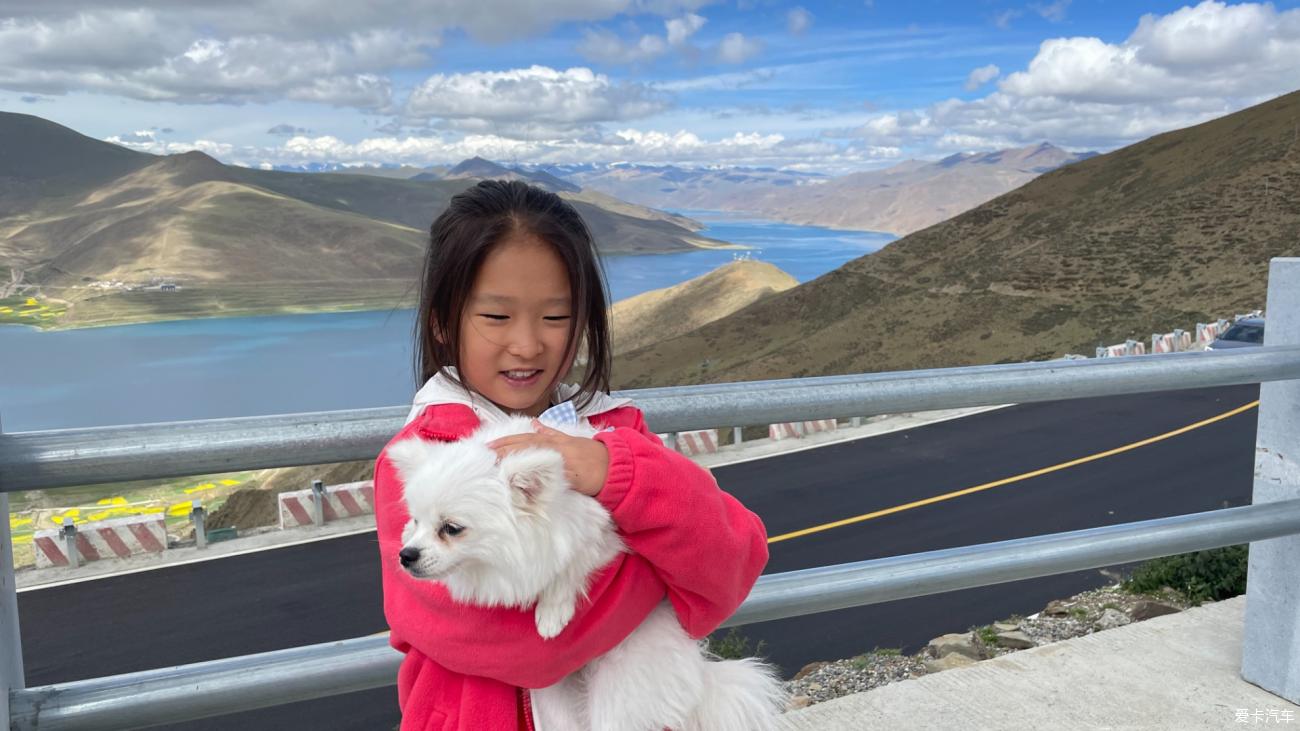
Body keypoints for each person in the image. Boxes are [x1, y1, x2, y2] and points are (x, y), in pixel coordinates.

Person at [373, 179, 770, 730]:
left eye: (555, 317)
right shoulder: (423, 462)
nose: (528, 344)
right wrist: (656, 567)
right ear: (443, 320)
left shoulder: (615, 434)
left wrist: (617, 472)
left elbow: (735, 564)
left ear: (582, 321)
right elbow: (530, 649)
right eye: (495, 317)